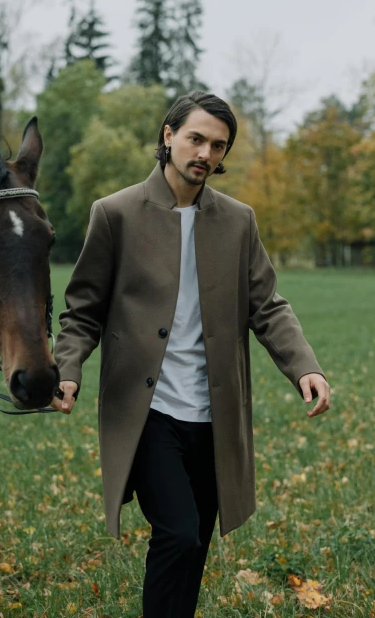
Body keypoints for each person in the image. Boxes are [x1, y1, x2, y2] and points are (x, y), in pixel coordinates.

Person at [51, 91, 330, 618]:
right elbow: (82, 310)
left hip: (215, 416)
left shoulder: (238, 221)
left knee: (196, 539)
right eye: (196, 138)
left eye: (217, 145)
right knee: (177, 532)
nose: (205, 153)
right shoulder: (115, 214)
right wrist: (67, 370)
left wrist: (305, 368)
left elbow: (267, 306)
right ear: (168, 136)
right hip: (148, 411)